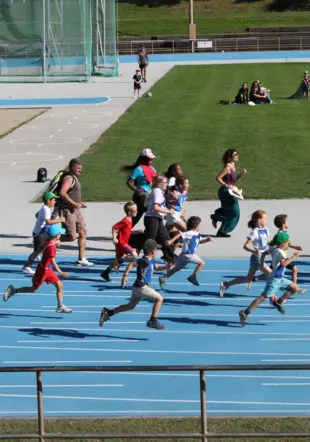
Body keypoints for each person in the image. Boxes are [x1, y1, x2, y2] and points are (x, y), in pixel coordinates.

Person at [99, 239, 169, 330]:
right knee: (159, 299)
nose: (157, 251)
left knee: (130, 306)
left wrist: (167, 266)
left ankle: (108, 313)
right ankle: (153, 320)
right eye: (156, 249)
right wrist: (125, 275)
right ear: (152, 251)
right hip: (141, 287)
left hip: (137, 289)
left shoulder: (151, 260)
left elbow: (156, 268)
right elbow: (131, 264)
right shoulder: (145, 260)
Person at [238, 232, 306, 326]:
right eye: (287, 243)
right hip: (274, 280)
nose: (288, 245)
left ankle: (279, 301)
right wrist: (294, 257)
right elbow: (284, 264)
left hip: (279, 278)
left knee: (294, 288)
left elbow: (265, 253)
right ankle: (245, 313)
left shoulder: (274, 249)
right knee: (263, 297)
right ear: (282, 244)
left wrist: (261, 262)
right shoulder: (280, 252)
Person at [3, 224, 72, 313]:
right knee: (33, 289)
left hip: (47, 270)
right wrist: (61, 272)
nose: (61, 235)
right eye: (60, 234)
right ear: (56, 235)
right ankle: (13, 290)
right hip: (43, 271)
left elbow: (42, 249)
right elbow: (53, 260)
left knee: (59, 285)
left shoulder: (49, 243)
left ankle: (60, 306)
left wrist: (55, 243)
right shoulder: (52, 247)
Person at [219, 210, 271, 297]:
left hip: (261, 256)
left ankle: (226, 284)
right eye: (265, 219)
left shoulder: (266, 230)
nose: (267, 221)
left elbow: (268, 242)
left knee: (248, 279)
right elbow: (245, 246)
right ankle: (272, 295)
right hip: (257, 257)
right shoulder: (254, 232)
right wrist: (254, 251)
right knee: (272, 275)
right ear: (259, 220)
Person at [159, 216, 211, 288]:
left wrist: (207, 240)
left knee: (177, 268)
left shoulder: (197, 234)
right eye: (199, 224)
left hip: (184, 255)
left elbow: (200, 241)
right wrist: (171, 241)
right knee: (201, 263)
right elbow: (179, 234)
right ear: (196, 226)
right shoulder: (189, 233)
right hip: (188, 255)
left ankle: (164, 278)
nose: (200, 226)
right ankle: (193, 277)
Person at [59, 158, 93, 267]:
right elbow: (62, 193)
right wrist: (74, 203)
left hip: (76, 210)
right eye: (78, 168)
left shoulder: (74, 178)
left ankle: (81, 258)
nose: (80, 170)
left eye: (80, 168)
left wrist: (79, 203)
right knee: (71, 237)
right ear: (72, 167)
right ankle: (48, 241)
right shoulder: (69, 178)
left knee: (83, 232)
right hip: (68, 210)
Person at [22, 191, 65, 275]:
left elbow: (37, 215)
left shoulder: (46, 209)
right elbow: (48, 221)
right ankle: (26, 266)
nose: (55, 202)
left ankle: (45, 263)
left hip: (43, 232)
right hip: (39, 233)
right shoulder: (46, 209)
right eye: (53, 200)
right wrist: (60, 220)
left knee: (45, 247)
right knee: (37, 251)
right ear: (48, 201)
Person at [210, 149, 247, 238]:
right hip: (226, 192)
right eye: (235, 154)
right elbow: (218, 178)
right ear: (230, 157)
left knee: (232, 212)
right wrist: (226, 185)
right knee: (235, 213)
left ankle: (221, 228)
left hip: (232, 191)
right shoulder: (228, 167)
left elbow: (233, 181)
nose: (237, 155)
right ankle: (217, 217)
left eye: (237, 154)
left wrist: (241, 174)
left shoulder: (233, 165)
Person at [100, 202, 139, 282]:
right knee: (134, 254)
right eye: (135, 210)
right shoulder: (125, 221)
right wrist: (114, 238)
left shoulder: (130, 220)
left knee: (116, 261)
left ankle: (105, 273)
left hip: (122, 244)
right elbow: (114, 227)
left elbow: (127, 230)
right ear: (129, 212)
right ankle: (120, 261)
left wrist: (137, 231)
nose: (137, 212)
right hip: (122, 243)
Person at [121, 149, 157, 227]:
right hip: (141, 196)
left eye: (151, 158)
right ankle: (125, 229)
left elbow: (154, 181)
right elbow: (129, 182)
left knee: (152, 214)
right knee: (137, 215)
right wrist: (136, 190)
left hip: (149, 195)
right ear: (143, 158)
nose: (151, 159)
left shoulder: (152, 169)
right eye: (149, 158)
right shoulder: (138, 169)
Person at [144, 175, 175, 264]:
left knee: (165, 239)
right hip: (152, 218)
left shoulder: (159, 191)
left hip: (157, 218)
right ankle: (147, 260)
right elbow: (156, 207)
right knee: (150, 241)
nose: (166, 184)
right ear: (158, 184)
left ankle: (170, 259)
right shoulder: (157, 191)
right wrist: (168, 211)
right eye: (164, 182)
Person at [271, 214, 302, 284]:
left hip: (281, 256)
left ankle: (254, 278)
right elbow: (275, 244)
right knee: (295, 269)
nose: (288, 222)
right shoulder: (280, 235)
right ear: (283, 223)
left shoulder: (284, 233)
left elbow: (287, 243)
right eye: (287, 221)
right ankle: (294, 287)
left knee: (269, 272)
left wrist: (295, 247)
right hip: (281, 257)